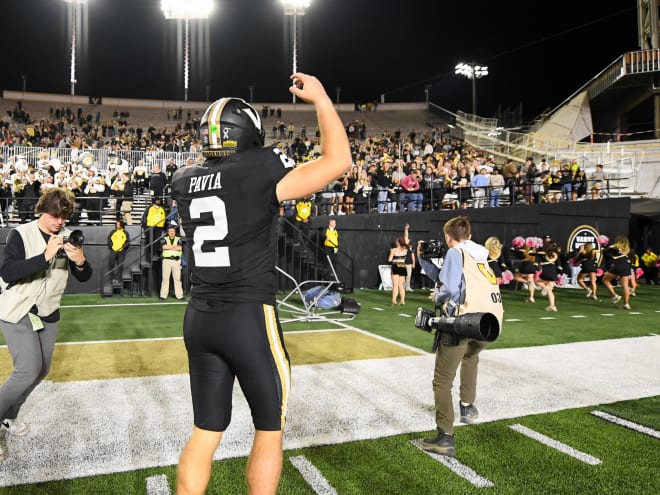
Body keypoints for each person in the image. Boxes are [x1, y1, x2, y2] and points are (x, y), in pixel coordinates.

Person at [170, 72, 351, 495]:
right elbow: (337, 160)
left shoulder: (183, 178)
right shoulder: (259, 167)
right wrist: (322, 98)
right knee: (270, 427)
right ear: (250, 132)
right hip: (247, 317)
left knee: (205, 431)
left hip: (200, 317)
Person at [0, 187, 92, 461]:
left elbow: (85, 276)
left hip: (47, 313)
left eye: (64, 217)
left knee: (41, 371)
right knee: (28, 369)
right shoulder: (21, 234)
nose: (60, 222)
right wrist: (44, 257)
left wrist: (80, 261)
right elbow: (7, 272)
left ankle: (9, 417)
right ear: (42, 210)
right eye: (55, 216)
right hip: (18, 310)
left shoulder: (66, 237)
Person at [416, 216, 503, 457]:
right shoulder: (480, 255)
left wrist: (439, 297)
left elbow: (451, 290)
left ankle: (445, 436)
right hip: (488, 324)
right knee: (470, 358)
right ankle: (468, 407)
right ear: (470, 236)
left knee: (442, 381)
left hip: (463, 322)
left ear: (447, 237)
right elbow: (453, 281)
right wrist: (424, 262)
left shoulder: (455, 254)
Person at [601, 235, 632, 309]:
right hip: (626, 265)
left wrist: (602, 246)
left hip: (618, 264)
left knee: (605, 280)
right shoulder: (627, 248)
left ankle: (614, 296)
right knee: (625, 285)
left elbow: (605, 252)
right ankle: (626, 304)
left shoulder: (614, 246)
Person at [159, 225, 184, 300]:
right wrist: (174, 247)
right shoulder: (164, 239)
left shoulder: (178, 239)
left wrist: (169, 247)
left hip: (176, 261)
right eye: (170, 231)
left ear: (175, 232)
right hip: (166, 261)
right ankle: (163, 295)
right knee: (165, 279)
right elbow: (164, 247)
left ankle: (180, 296)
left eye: (173, 231)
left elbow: (179, 248)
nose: (172, 233)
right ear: (168, 232)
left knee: (177, 279)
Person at [536, 241, 562, 312]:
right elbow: (559, 267)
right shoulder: (555, 255)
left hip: (545, 273)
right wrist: (559, 274)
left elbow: (533, 255)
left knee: (537, 281)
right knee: (550, 290)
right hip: (553, 274)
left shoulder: (542, 254)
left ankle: (545, 288)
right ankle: (552, 306)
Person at [387, 236, 409, 305]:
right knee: (401, 285)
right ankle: (402, 300)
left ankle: (394, 300)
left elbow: (389, 260)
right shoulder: (405, 250)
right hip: (402, 266)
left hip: (396, 266)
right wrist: (406, 230)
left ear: (399, 242)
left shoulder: (393, 250)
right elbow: (406, 239)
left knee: (395, 285)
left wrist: (391, 253)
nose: (396, 243)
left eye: (397, 241)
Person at [107, 220, 130, 284]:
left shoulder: (125, 233)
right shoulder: (113, 232)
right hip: (114, 250)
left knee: (120, 265)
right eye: (116, 224)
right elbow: (109, 239)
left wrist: (123, 246)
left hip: (122, 251)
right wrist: (112, 246)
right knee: (111, 264)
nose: (117, 225)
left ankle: (118, 279)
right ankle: (113, 279)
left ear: (121, 225)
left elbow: (128, 242)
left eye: (118, 224)